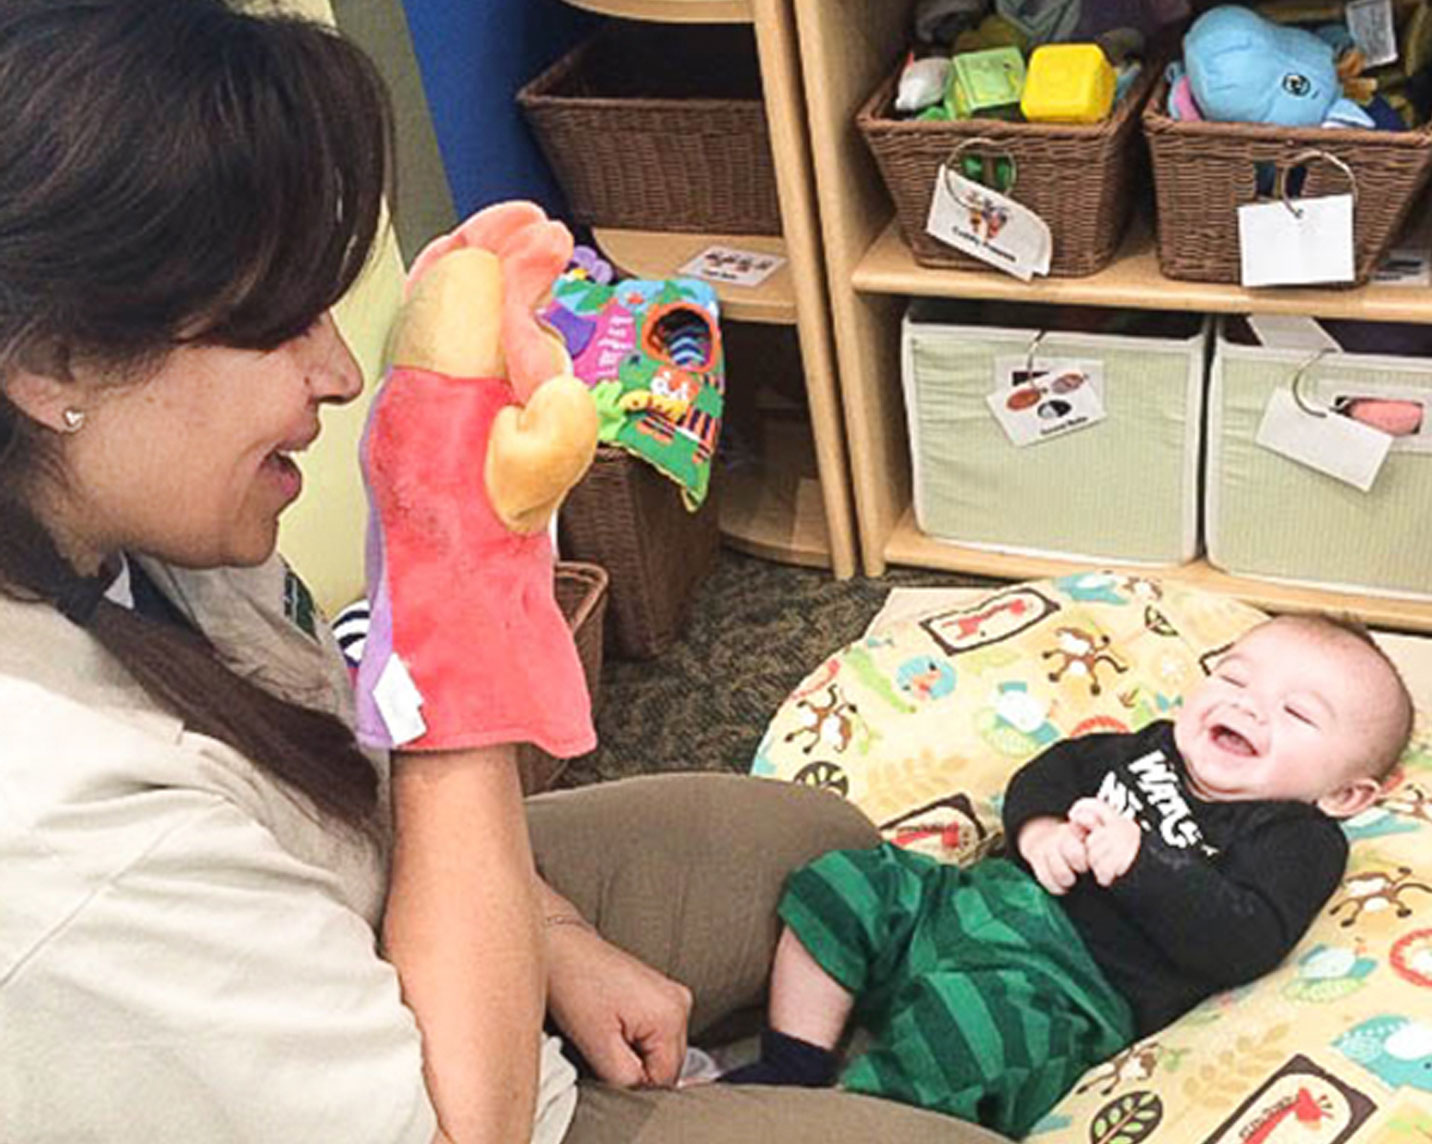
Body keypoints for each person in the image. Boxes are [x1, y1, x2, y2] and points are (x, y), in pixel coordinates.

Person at [0, 3, 1006, 1142]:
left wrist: (555, 938)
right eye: (276, 323)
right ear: (55, 358)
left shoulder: (120, 529)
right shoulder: (61, 832)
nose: (336, 373)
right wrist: (456, 625)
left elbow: (354, 785)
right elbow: (462, 1126)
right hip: (451, 1106)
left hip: (364, 907)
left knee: (809, 844)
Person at [722, 614, 1414, 1137]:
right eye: (1233, 677)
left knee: (975, 1042)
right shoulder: (1144, 748)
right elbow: (1049, 773)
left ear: (1345, 795)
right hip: (964, 901)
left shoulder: (1297, 837)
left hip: (1062, 990)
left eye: (1297, 713)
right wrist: (1040, 829)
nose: (1249, 705)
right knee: (845, 883)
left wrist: (1144, 866)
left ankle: (839, 1124)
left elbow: (1246, 936)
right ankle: (793, 1062)